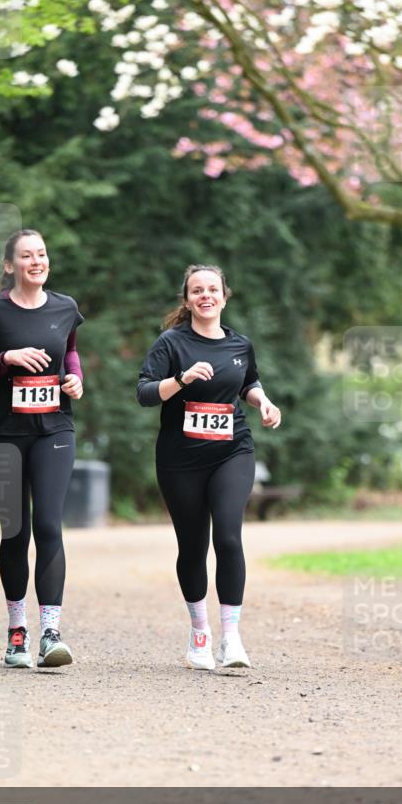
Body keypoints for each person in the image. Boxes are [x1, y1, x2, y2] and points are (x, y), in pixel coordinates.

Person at [137, 264, 281, 671]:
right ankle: (200, 634)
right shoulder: (171, 344)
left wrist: (263, 402)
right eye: (197, 290)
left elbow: (248, 383)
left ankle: (231, 639)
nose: (205, 296)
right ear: (187, 300)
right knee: (194, 545)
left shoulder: (239, 345)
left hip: (231, 451)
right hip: (180, 461)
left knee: (230, 538)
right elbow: (145, 393)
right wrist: (180, 381)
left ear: (224, 295)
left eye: (212, 289)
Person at [0, 229, 84, 669]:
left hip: (54, 429)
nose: (37, 261)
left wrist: (75, 377)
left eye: (42, 254)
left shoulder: (65, 307)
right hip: (1, 434)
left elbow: (69, 350)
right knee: (16, 532)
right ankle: (17, 633)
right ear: (10, 266)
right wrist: (7, 360)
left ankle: (51, 633)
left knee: (50, 525)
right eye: (27, 256)